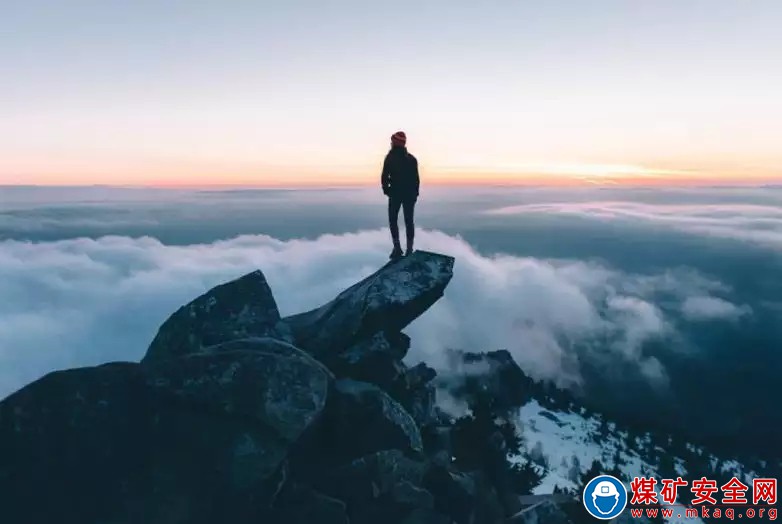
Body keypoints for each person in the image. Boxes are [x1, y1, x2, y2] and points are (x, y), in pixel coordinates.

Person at [381, 131, 420, 259]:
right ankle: (409, 249)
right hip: (409, 195)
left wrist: (387, 190)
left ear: (395, 143)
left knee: (393, 220)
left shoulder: (390, 158)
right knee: (409, 221)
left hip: (395, 194)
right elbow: (416, 180)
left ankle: (397, 248)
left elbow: (384, 177)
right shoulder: (412, 159)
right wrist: (415, 194)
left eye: (392, 141)